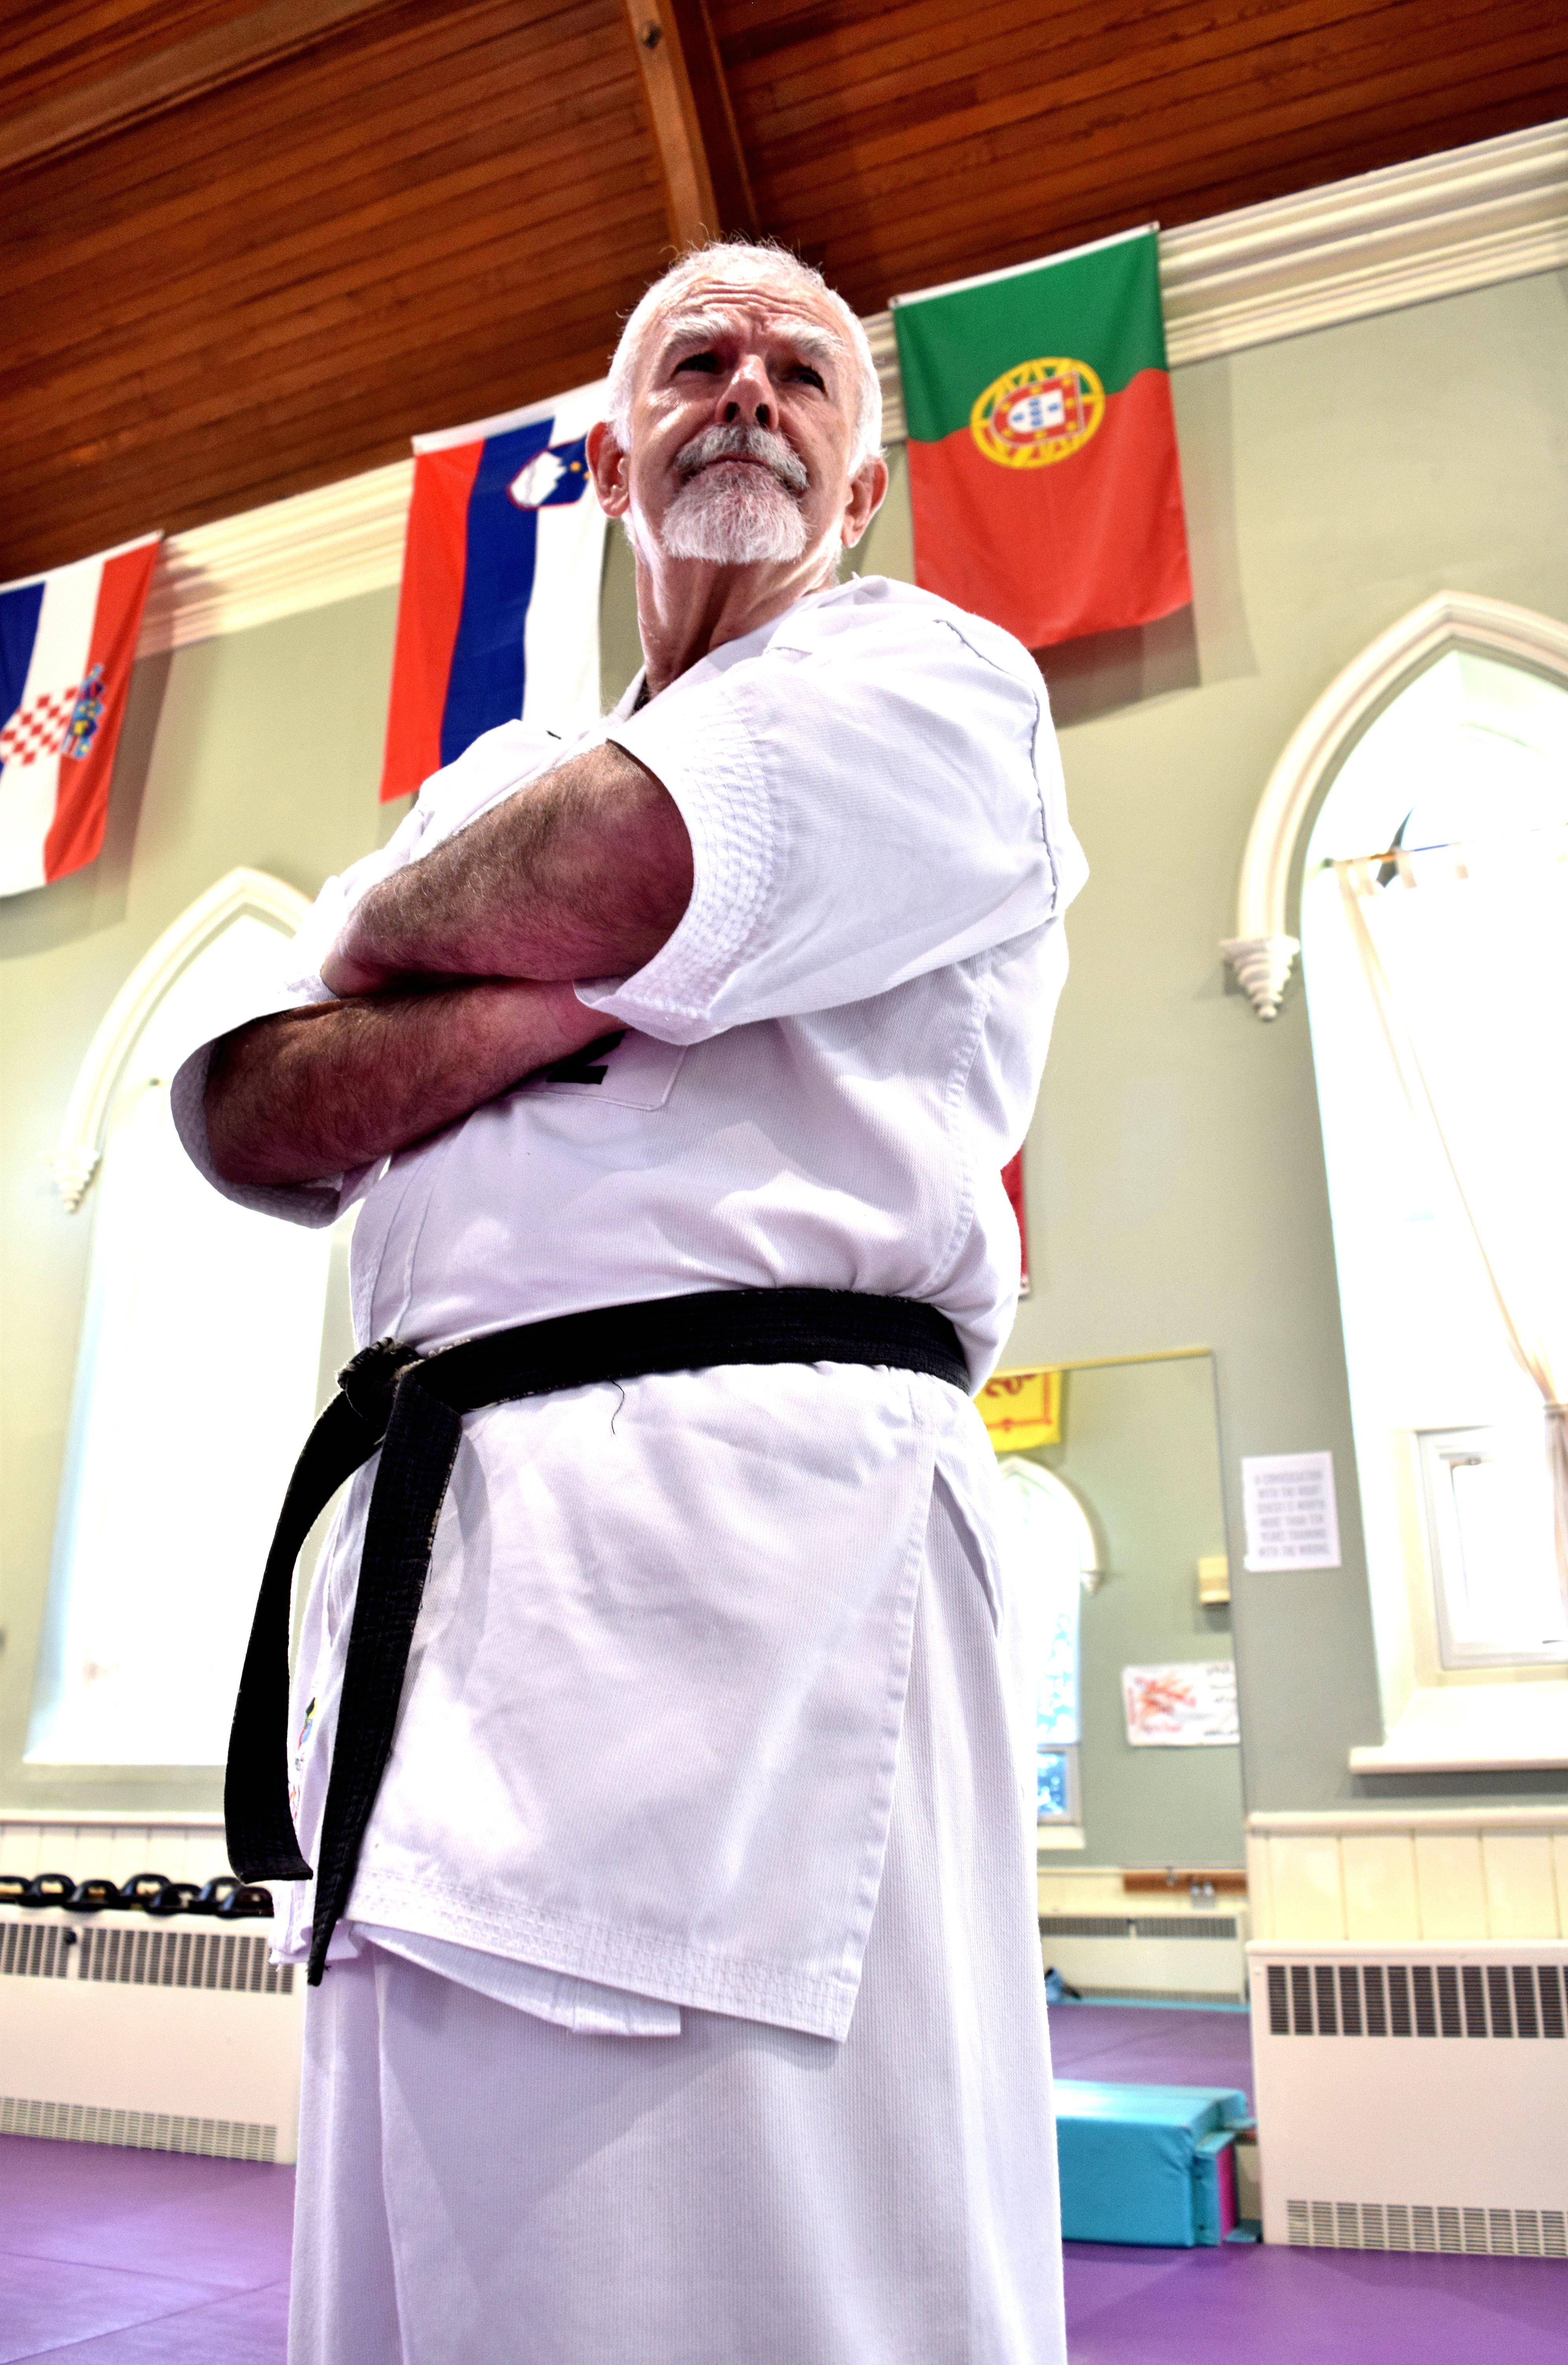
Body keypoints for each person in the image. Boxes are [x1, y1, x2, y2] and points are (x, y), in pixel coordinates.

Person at [175, 238, 1086, 2365]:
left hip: (744, 1532)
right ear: (607, 455)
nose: (749, 391)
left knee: (735, 2251)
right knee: (426, 2260)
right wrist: (609, 975)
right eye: (697, 360)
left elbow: (626, 868)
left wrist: (463, 959)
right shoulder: (484, 772)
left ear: (863, 486)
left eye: (803, 373)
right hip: (435, 1559)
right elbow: (248, 1109)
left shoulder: (931, 681)